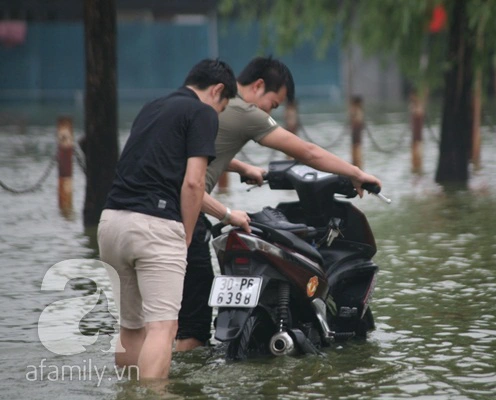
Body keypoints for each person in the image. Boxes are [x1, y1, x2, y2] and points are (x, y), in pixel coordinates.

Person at [175, 56, 383, 351]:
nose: (271, 111)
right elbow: (308, 151)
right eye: (273, 104)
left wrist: (242, 168)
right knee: (193, 326)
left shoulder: (209, 107)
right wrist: (356, 173)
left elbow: (205, 152)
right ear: (258, 86)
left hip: (154, 210)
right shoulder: (244, 111)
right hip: (187, 212)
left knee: (170, 316)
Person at [97, 59, 237, 379]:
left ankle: (130, 393)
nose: (218, 114)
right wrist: (185, 238)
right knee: (163, 327)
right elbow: (193, 183)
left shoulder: (152, 107)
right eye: (223, 106)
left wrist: (227, 214)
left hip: (111, 223)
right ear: (216, 90)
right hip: (155, 227)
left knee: (132, 328)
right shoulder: (202, 113)